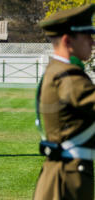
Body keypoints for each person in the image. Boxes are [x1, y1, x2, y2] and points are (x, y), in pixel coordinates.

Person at [34, 4, 95, 200]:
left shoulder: (57, 71)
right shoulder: (67, 77)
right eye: (87, 36)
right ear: (68, 40)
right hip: (66, 182)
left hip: (63, 175)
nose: (92, 42)